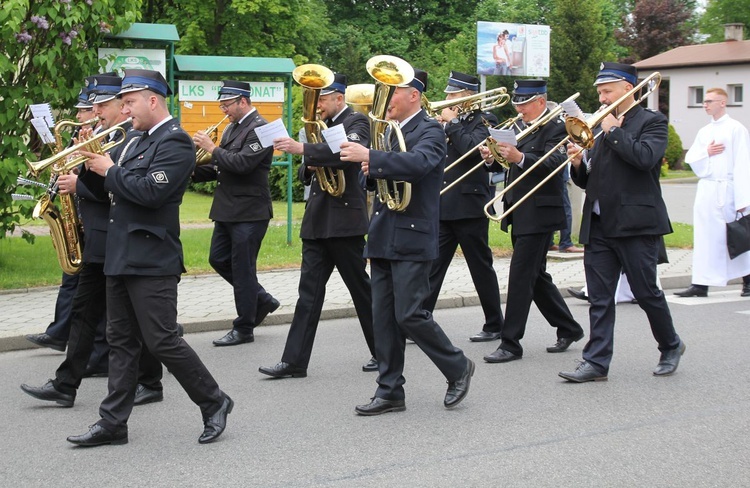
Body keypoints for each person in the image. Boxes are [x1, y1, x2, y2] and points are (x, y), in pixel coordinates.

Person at [69, 69, 232, 446]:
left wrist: (108, 168)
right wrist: (88, 161)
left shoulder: (174, 143)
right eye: (123, 103)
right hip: (120, 253)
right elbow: (105, 191)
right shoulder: (131, 141)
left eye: (129, 102)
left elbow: (149, 194)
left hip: (152, 257)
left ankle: (215, 401)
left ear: (152, 100)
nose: (124, 110)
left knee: (161, 341)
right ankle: (112, 424)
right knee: (121, 340)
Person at [20, 73, 168, 406]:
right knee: (86, 312)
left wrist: (79, 183)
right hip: (98, 235)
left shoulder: (130, 137)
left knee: (131, 319)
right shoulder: (103, 134)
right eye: (96, 105)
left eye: (103, 104)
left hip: (115, 235)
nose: (97, 111)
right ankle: (66, 383)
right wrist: (79, 162)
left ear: (121, 105)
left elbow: (120, 191)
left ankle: (150, 381)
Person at [340, 68, 475, 416]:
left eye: (392, 92)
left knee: (410, 314)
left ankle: (457, 366)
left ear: (413, 95)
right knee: (383, 317)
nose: (385, 100)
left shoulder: (429, 129)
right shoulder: (388, 133)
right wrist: (368, 172)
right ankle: (389, 391)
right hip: (385, 232)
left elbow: (419, 164)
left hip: (413, 234)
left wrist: (371, 158)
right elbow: (376, 181)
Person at [560, 62, 685, 383]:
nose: (601, 98)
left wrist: (614, 131)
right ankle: (596, 363)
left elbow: (645, 159)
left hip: (635, 224)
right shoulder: (601, 126)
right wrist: (577, 163)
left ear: (627, 89)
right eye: (600, 92)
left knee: (646, 293)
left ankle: (671, 345)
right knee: (600, 298)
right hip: (599, 224)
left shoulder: (652, 122)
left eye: (606, 91)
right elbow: (592, 180)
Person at [259, 73, 377, 378]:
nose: (317, 105)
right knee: (308, 293)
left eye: (322, 98)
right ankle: (294, 361)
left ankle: (384, 350)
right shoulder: (315, 127)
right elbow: (306, 172)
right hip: (317, 219)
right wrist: (307, 162)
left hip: (344, 220)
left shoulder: (357, 122)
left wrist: (305, 151)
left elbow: (348, 155)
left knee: (361, 290)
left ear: (339, 97)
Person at [481, 80, 584, 364]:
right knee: (536, 277)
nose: (519, 108)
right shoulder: (515, 126)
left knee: (521, 276)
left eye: (524, 103)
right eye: (517, 103)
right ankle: (569, 327)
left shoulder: (558, 126)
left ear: (540, 101)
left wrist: (521, 156)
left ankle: (511, 343)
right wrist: (493, 158)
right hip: (519, 209)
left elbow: (553, 164)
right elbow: (507, 166)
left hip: (541, 213)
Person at [193, 80, 279, 347]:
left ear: (243, 101)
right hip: (228, 210)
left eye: (227, 104)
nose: (223, 110)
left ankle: (244, 327)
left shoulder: (263, 128)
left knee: (243, 270)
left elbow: (241, 164)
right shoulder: (232, 127)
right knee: (218, 259)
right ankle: (262, 299)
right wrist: (187, 168)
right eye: (222, 105)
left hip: (250, 212)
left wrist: (212, 148)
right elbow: (222, 168)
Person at [424, 71, 504, 342]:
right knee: (434, 265)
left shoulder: (486, 120)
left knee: (480, 267)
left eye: (453, 95)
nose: (446, 99)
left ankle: (495, 323)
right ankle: (421, 318)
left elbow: (473, 151)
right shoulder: (447, 122)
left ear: (468, 97)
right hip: (445, 202)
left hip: (470, 204)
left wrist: (452, 124)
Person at [24, 85, 99, 353]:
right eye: (78, 112)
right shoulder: (78, 136)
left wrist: (79, 168)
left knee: (91, 284)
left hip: (92, 215)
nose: (78, 117)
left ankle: (168, 329)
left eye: (83, 111)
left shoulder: (99, 137)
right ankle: (59, 332)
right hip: (76, 213)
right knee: (71, 275)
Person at [674, 87, 750, 298]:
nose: (705, 104)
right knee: (705, 237)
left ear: (723, 103)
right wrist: (705, 153)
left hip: (728, 190)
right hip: (707, 189)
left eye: (709, 101)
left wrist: (743, 198)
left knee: (735, 234)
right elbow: (693, 158)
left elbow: (744, 163)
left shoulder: (736, 129)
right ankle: (700, 284)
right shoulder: (704, 131)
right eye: (704, 101)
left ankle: (748, 280)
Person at [549, 163, 584, 253]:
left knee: (551, 206)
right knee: (565, 208)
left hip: (550, 169)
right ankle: (566, 243)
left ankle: (549, 242)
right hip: (558, 169)